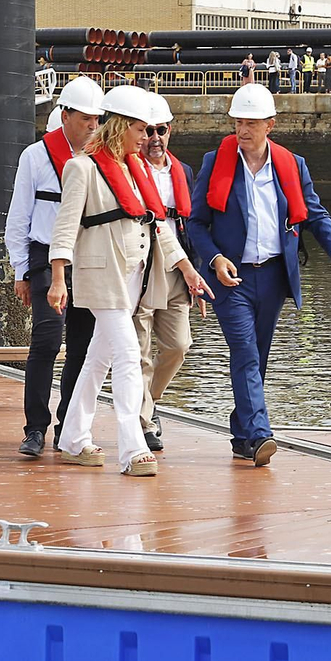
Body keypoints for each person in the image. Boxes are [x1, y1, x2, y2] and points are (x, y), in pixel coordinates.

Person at [47, 85, 210, 476]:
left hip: (136, 278)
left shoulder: (137, 170)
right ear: (120, 126)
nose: (146, 137)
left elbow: (158, 226)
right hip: (102, 278)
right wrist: (57, 278)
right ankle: (133, 448)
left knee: (97, 360)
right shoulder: (82, 168)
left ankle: (73, 438)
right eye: (140, 129)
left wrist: (187, 269)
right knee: (126, 356)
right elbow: (65, 228)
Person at [186, 82, 331, 468]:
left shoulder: (292, 165)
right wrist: (214, 260)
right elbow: (195, 223)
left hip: (274, 276)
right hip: (230, 278)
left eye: (251, 123)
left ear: (269, 125)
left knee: (257, 357)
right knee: (244, 353)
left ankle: (242, 434)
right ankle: (260, 434)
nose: (243, 130)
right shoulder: (215, 162)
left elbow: (314, 212)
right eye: (238, 122)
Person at [5, 75, 104, 458]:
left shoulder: (101, 159)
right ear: (65, 116)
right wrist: (21, 271)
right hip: (46, 257)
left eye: (97, 119)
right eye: (85, 119)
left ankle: (69, 426)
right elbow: (19, 217)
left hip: (89, 259)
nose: (92, 126)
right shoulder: (35, 156)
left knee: (82, 346)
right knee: (46, 341)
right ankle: (35, 428)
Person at [134, 92, 203, 455]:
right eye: (147, 131)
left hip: (178, 268)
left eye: (160, 130)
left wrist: (196, 273)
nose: (154, 138)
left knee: (179, 345)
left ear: (170, 131)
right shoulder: (129, 170)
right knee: (141, 350)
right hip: (142, 266)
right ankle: (144, 421)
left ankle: (151, 399)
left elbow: (192, 225)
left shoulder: (183, 171)